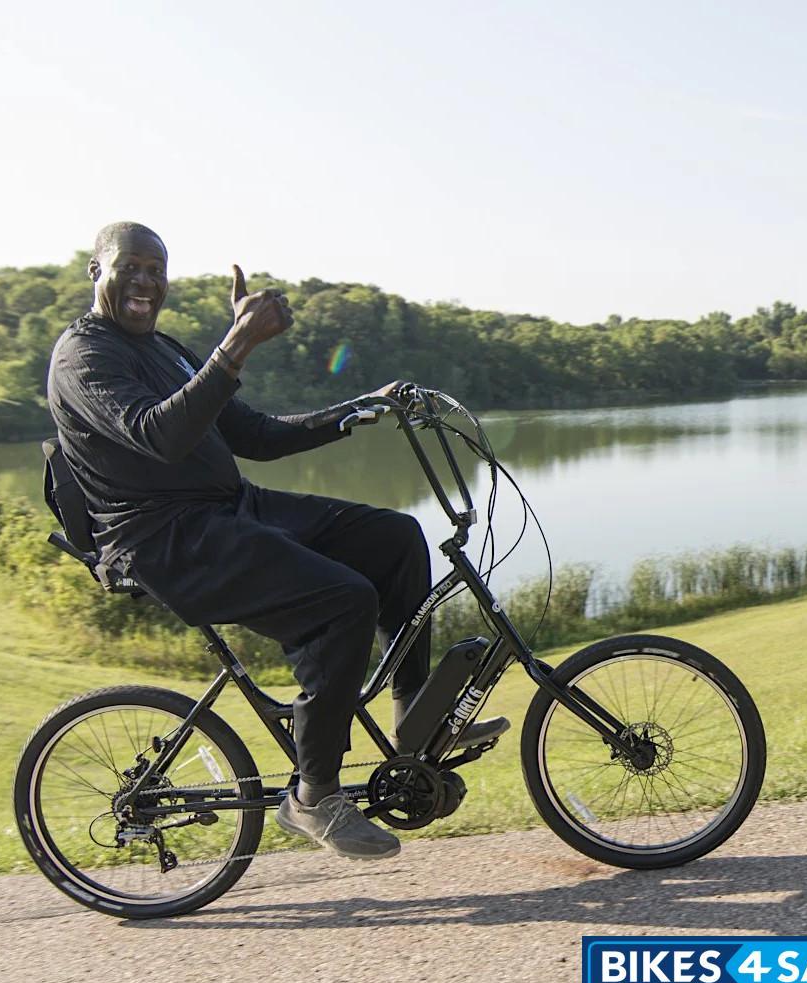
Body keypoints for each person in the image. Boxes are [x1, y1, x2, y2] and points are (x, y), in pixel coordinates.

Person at [47, 221, 508, 860]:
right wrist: (235, 344)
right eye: (132, 266)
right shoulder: (84, 356)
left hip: (230, 509)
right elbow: (160, 436)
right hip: (167, 538)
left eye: (157, 269)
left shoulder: (165, 349)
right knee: (343, 600)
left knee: (396, 537)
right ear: (97, 270)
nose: (146, 281)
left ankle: (414, 725)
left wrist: (359, 409)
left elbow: (256, 436)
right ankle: (314, 795)